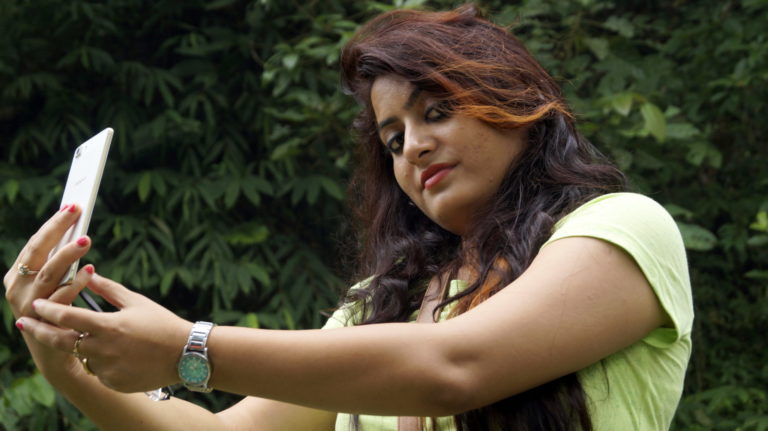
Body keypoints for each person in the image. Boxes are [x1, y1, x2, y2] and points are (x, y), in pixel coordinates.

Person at [4, 4, 692, 431]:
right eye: (393, 139)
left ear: (519, 100)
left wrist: (190, 347)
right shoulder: (380, 305)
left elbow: (455, 366)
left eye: (436, 110)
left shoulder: (621, 229)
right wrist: (66, 363)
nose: (413, 145)